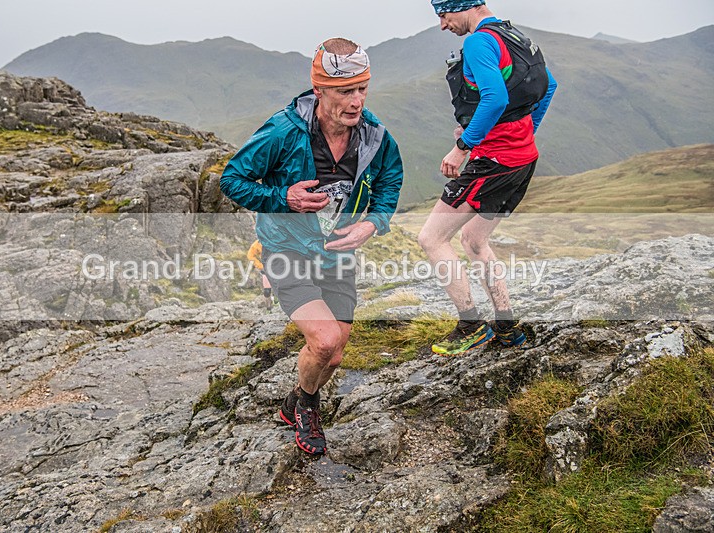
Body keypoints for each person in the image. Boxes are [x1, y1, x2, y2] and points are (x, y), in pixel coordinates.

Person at [220, 38, 404, 455]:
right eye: (345, 91)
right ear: (319, 90)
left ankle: (293, 400)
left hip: (337, 255)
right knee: (322, 342)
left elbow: (391, 179)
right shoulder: (283, 131)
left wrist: (373, 224)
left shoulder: (374, 136)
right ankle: (307, 405)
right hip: (286, 251)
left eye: (362, 89)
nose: (356, 101)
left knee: (335, 355)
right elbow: (232, 180)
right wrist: (284, 198)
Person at [418, 0, 557, 356]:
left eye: (443, 15)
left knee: (431, 238)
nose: (443, 25)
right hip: (522, 158)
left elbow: (493, 99)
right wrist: (520, 133)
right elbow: (549, 86)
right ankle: (507, 328)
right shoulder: (514, 35)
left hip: (494, 162)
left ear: (460, 7)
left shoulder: (479, 42)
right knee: (475, 240)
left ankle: (470, 325)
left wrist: (463, 147)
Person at [246, 239, 274, 310]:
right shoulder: (258, 243)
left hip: (280, 267)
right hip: (266, 269)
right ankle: (269, 307)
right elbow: (250, 255)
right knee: (267, 291)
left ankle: (279, 304)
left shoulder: (278, 238)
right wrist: (260, 266)